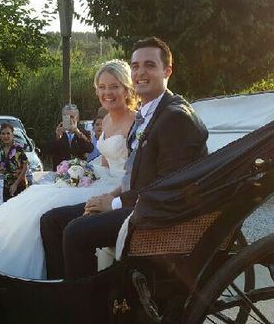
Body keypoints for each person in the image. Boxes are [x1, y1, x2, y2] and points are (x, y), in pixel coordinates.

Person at [40, 37, 209, 280]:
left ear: (167, 71)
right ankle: (60, 291)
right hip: (133, 199)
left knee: (76, 231)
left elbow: (168, 186)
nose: (140, 72)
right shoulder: (150, 112)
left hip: (154, 214)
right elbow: (136, 171)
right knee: (52, 220)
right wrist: (111, 195)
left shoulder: (175, 116)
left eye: (150, 65)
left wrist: (114, 204)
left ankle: (82, 309)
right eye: (136, 65)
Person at [0, 59, 137, 279]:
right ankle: (55, 278)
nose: (107, 92)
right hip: (102, 177)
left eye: (114, 86)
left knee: (50, 217)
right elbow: (106, 159)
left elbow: (133, 169)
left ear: (127, 88)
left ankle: (64, 280)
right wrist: (79, 169)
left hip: (119, 187)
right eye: (102, 87)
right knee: (35, 203)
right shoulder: (109, 120)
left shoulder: (135, 122)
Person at [0, 122, 29, 202]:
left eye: (8, 133)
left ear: (13, 135)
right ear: (0, 136)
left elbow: (25, 167)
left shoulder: (18, 148)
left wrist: (15, 184)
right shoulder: (2, 149)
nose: (6, 136)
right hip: (6, 186)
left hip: (19, 186)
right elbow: (4, 166)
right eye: (3, 133)